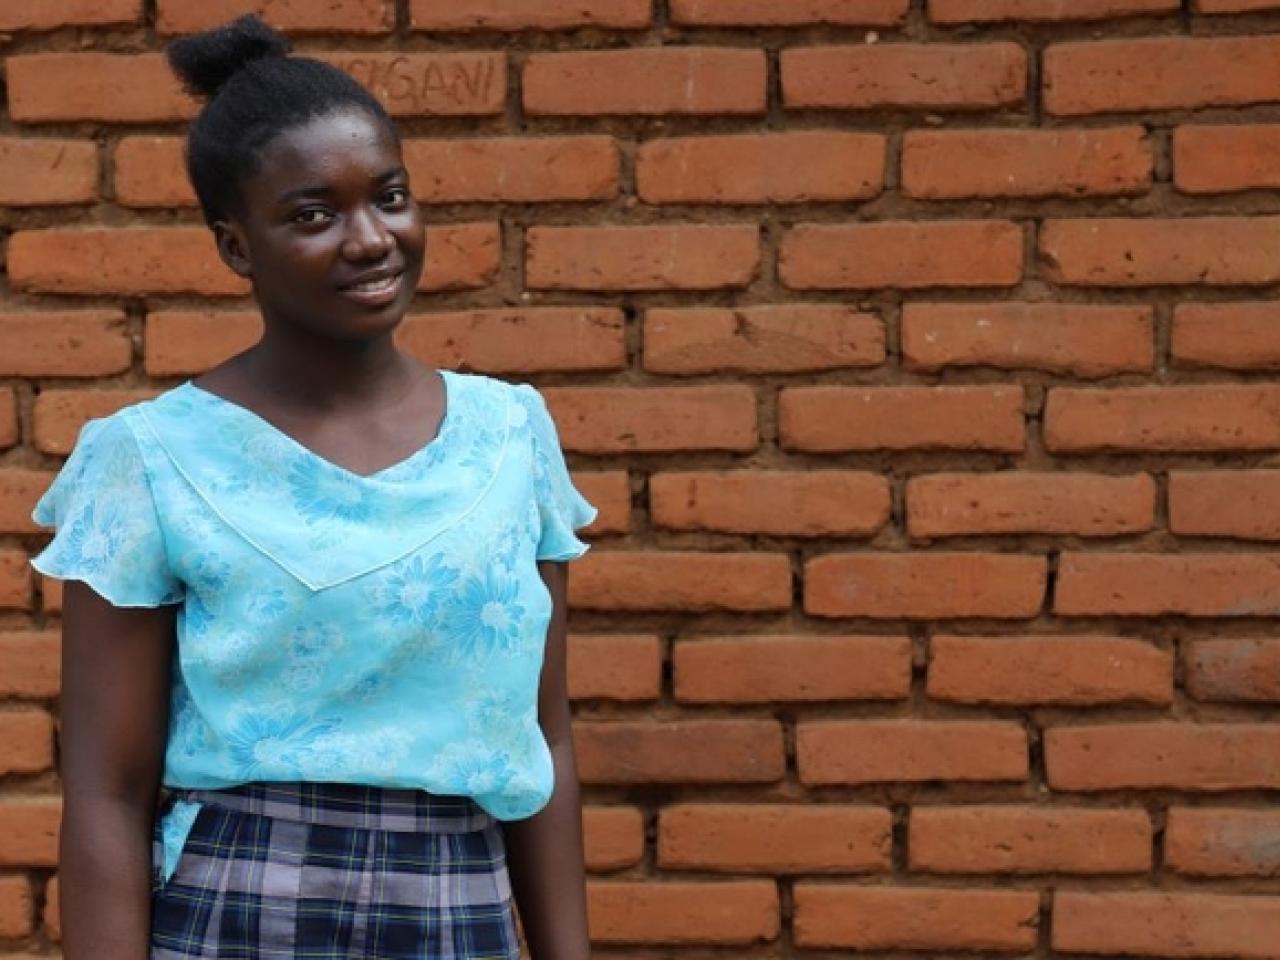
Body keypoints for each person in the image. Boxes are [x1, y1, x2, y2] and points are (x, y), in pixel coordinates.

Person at [29, 15, 596, 960]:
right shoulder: (149, 459)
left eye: (391, 197)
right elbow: (105, 793)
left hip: (462, 908)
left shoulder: (511, 438)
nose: (371, 239)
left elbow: (547, 740)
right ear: (236, 245)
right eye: (313, 213)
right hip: (240, 905)